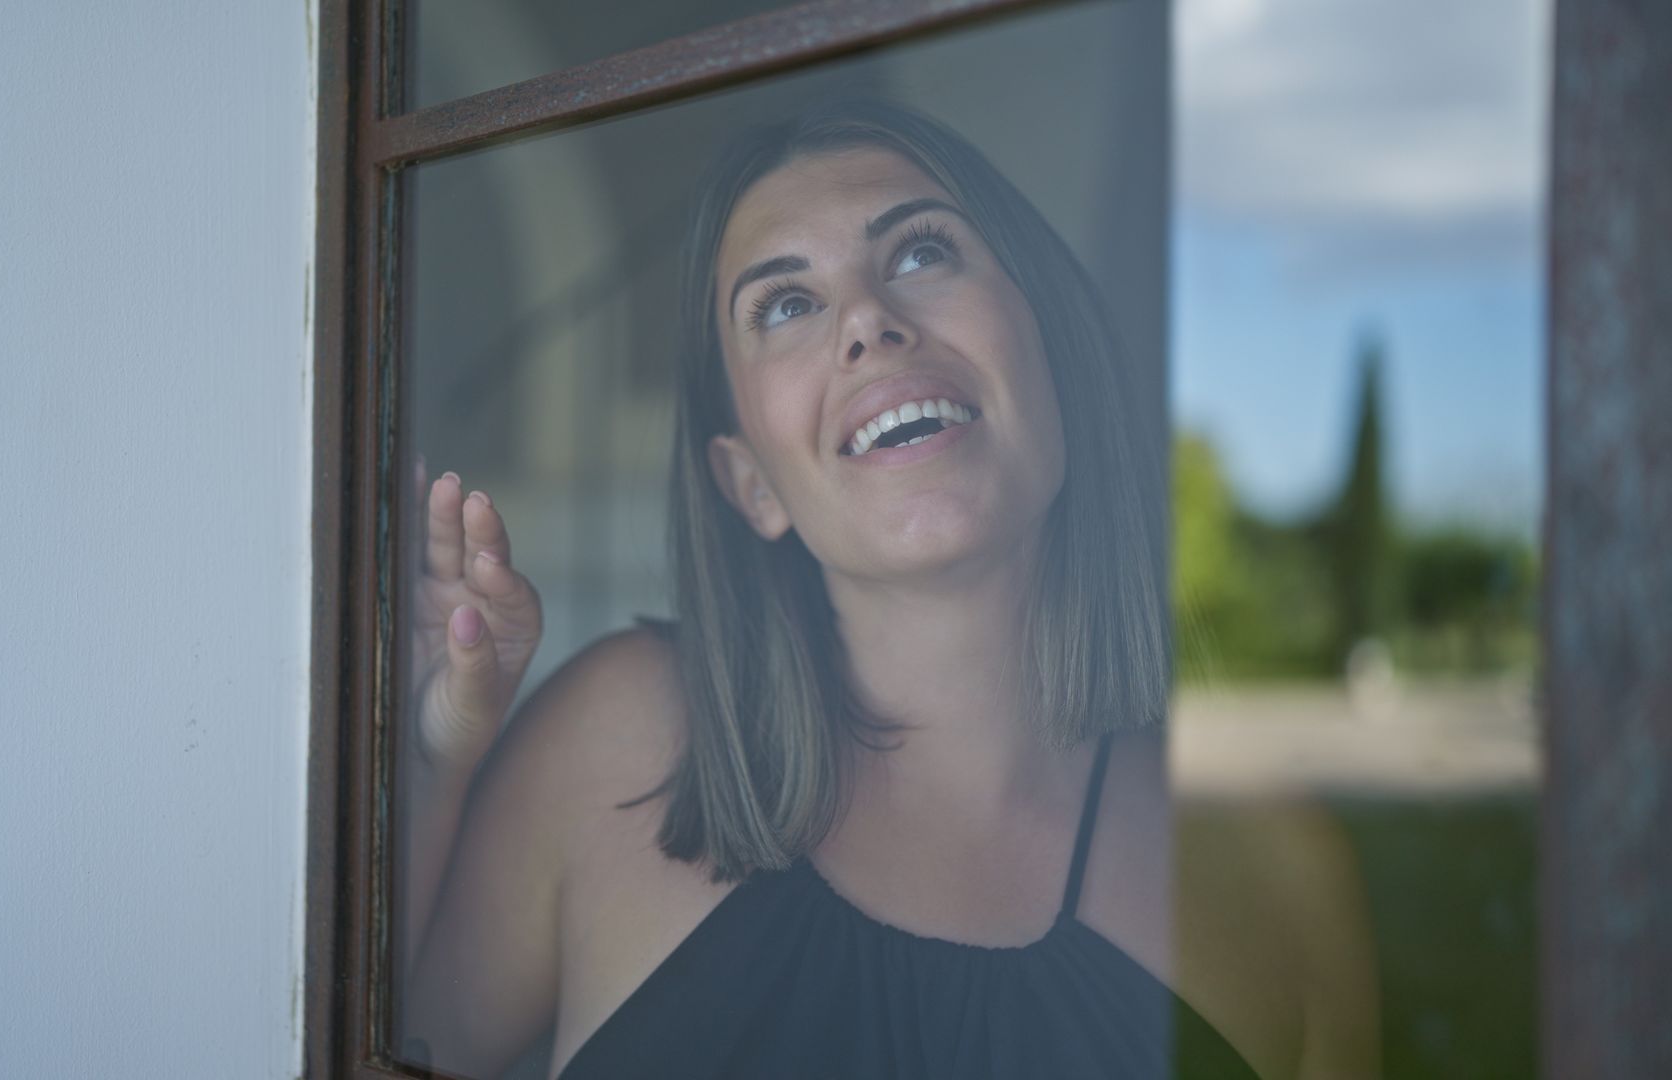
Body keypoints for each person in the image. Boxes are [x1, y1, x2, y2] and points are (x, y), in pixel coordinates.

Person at [399, 100, 1378, 1078]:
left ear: (1054, 361)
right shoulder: (612, 746)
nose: (867, 320)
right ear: (751, 484)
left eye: (921, 254)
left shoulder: (1269, 868)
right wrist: (432, 760)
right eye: (784, 305)